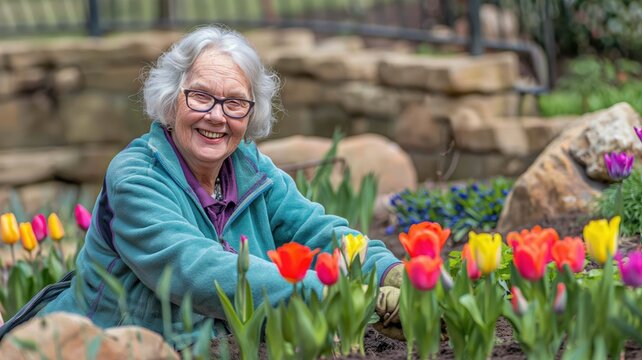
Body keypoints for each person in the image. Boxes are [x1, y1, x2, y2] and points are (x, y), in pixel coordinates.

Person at [0, 25, 404, 345]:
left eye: (234, 103)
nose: (216, 117)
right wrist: (346, 296)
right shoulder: (136, 177)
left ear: (250, 114)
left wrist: (390, 272)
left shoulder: (251, 169)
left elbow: (318, 231)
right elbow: (197, 269)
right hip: (97, 346)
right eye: (201, 97)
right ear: (171, 99)